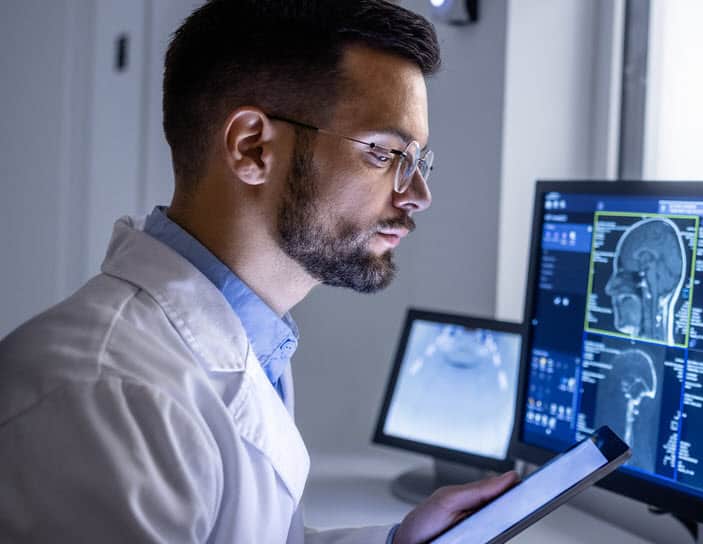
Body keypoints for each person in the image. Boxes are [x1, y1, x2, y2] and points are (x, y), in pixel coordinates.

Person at [0, 1, 517, 542]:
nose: (418, 195)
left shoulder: (247, 342)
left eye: (419, 160)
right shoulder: (104, 397)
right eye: (385, 155)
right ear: (253, 148)